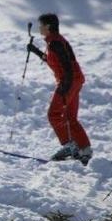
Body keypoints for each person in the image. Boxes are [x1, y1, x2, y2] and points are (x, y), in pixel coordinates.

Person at [26, 13, 92, 164]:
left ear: (48, 26)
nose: (39, 28)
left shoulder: (55, 43)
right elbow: (54, 61)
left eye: (41, 25)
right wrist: (35, 51)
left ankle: (70, 146)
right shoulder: (55, 41)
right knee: (70, 117)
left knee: (54, 114)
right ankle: (85, 150)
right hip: (75, 80)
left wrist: (64, 87)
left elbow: (67, 65)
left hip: (68, 81)